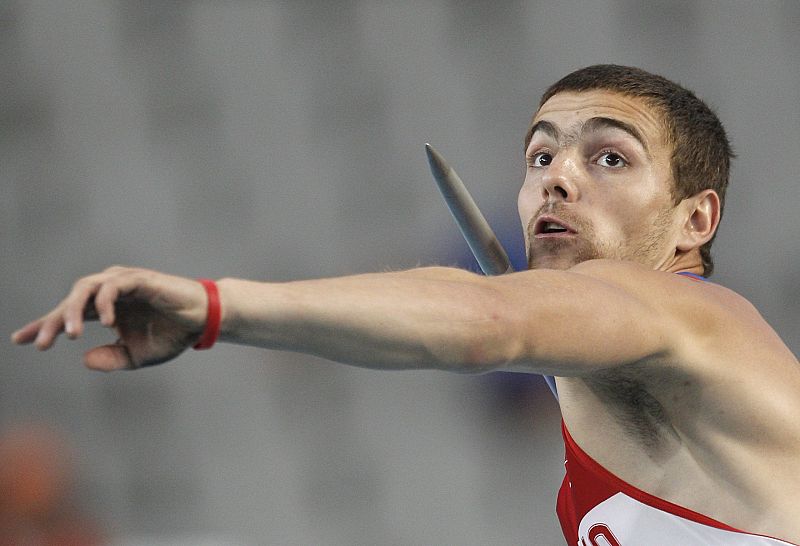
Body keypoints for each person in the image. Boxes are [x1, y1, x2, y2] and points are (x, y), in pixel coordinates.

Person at [12, 65, 799, 544]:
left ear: (695, 219)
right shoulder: (623, 377)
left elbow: (486, 320)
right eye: (541, 155)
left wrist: (217, 307)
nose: (558, 177)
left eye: (610, 157)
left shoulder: (682, 312)